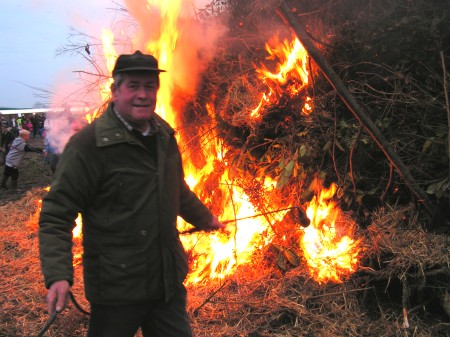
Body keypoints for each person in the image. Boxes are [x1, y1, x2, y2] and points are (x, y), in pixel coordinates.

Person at [38, 50, 225, 337]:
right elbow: (56, 213)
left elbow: (177, 189)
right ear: (115, 91)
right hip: (117, 288)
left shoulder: (164, 136)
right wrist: (58, 275)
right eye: (133, 86)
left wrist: (205, 218)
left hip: (166, 283)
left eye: (149, 86)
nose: (142, 94)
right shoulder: (89, 145)